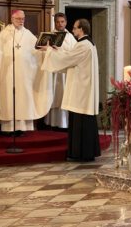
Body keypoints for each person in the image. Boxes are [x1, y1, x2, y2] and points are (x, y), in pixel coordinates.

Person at [40, 19, 101, 162]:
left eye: (75, 28)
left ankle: (80, 153)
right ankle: (85, 152)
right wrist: (56, 50)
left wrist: (49, 50)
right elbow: (69, 56)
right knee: (83, 120)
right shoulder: (89, 44)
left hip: (80, 90)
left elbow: (68, 58)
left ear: (81, 29)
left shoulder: (83, 45)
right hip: (84, 88)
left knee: (80, 121)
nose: (72, 31)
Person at [0, 10, 52, 133]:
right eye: (18, 19)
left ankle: (23, 127)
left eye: (23, 19)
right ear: (12, 19)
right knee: (9, 98)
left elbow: (37, 51)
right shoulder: (4, 34)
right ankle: (9, 128)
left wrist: (45, 51)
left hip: (25, 75)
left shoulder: (28, 34)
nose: (21, 21)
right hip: (8, 75)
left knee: (24, 98)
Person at [44, 12, 77, 129]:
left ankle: (64, 124)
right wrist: (48, 50)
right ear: (55, 23)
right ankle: (51, 124)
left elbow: (74, 54)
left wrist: (59, 51)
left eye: (62, 22)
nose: (60, 24)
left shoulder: (70, 37)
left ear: (66, 22)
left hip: (65, 74)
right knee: (52, 95)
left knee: (64, 96)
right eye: (57, 22)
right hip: (53, 73)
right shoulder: (50, 36)